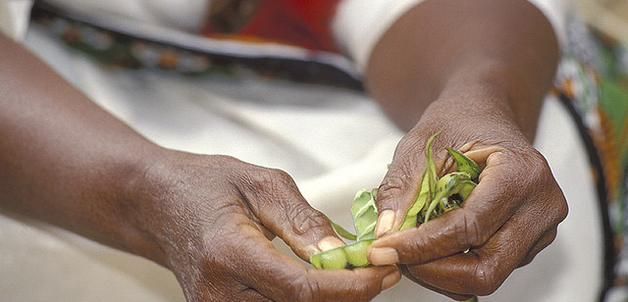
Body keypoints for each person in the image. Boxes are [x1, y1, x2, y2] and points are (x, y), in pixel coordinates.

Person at [1, 0, 606, 301]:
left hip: (324, 58)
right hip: (57, 95)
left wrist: (482, 88)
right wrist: (139, 195)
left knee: (532, 143)